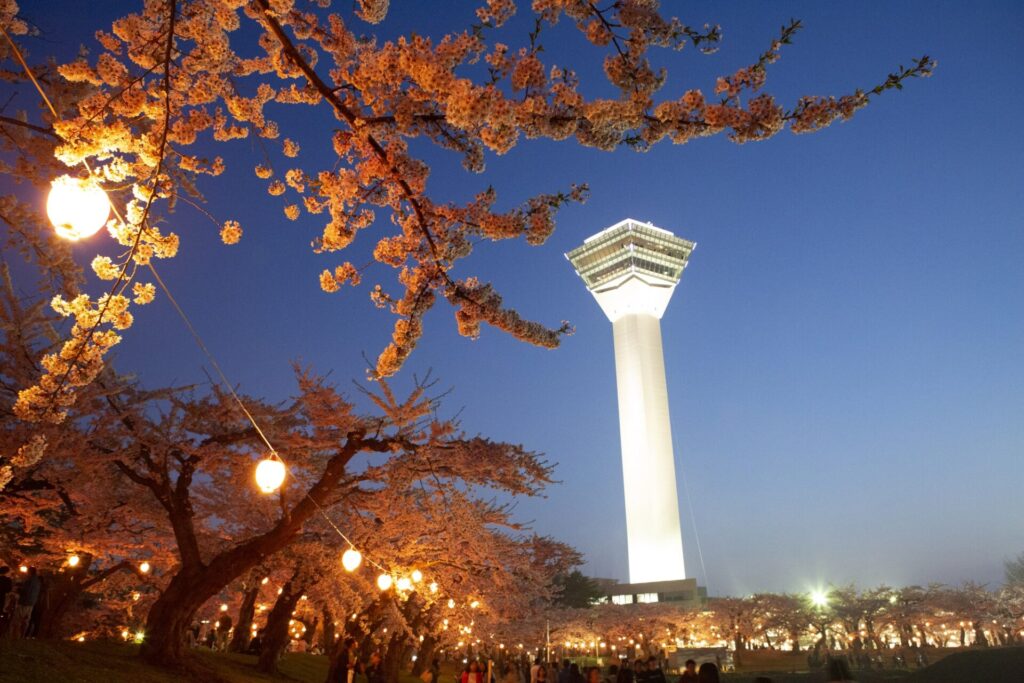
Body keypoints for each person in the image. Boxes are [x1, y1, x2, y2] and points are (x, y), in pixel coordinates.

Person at [14, 567, 41, 638]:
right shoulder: (38, 581)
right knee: (26, 620)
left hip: (24, 602)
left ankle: (17, 636)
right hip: (32, 603)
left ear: (29, 572)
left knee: (18, 619)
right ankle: (23, 635)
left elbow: (25, 591)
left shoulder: (29, 581)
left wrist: (17, 590)